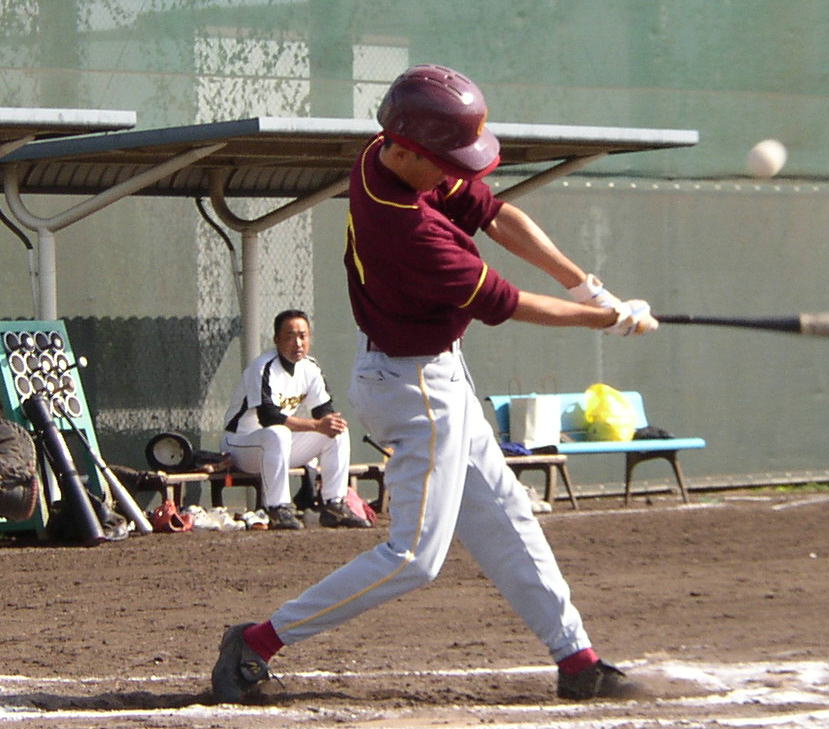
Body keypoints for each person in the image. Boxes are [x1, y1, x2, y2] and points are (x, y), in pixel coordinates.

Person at [211, 65, 658, 702]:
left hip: (431, 373)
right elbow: (509, 303)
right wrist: (606, 321)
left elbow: (496, 215)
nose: (457, 175)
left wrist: (588, 287)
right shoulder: (409, 231)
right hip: (414, 387)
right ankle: (256, 642)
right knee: (414, 556)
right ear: (407, 149)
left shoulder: (385, 154)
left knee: (505, 512)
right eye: (446, 163)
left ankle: (577, 658)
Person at [220, 309, 368, 530]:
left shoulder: (310, 367)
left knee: (337, 431)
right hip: (240, 445)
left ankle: (334, 505)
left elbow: (323, 410)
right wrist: (317, 425)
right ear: (277, 339)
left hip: (278, 448)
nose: (298, 343)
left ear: (310, 338)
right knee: (278, 432)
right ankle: (278, 508)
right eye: (290, 336)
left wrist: (327, 423)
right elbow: (268, 417)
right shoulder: (263, 367)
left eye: (302, 335)